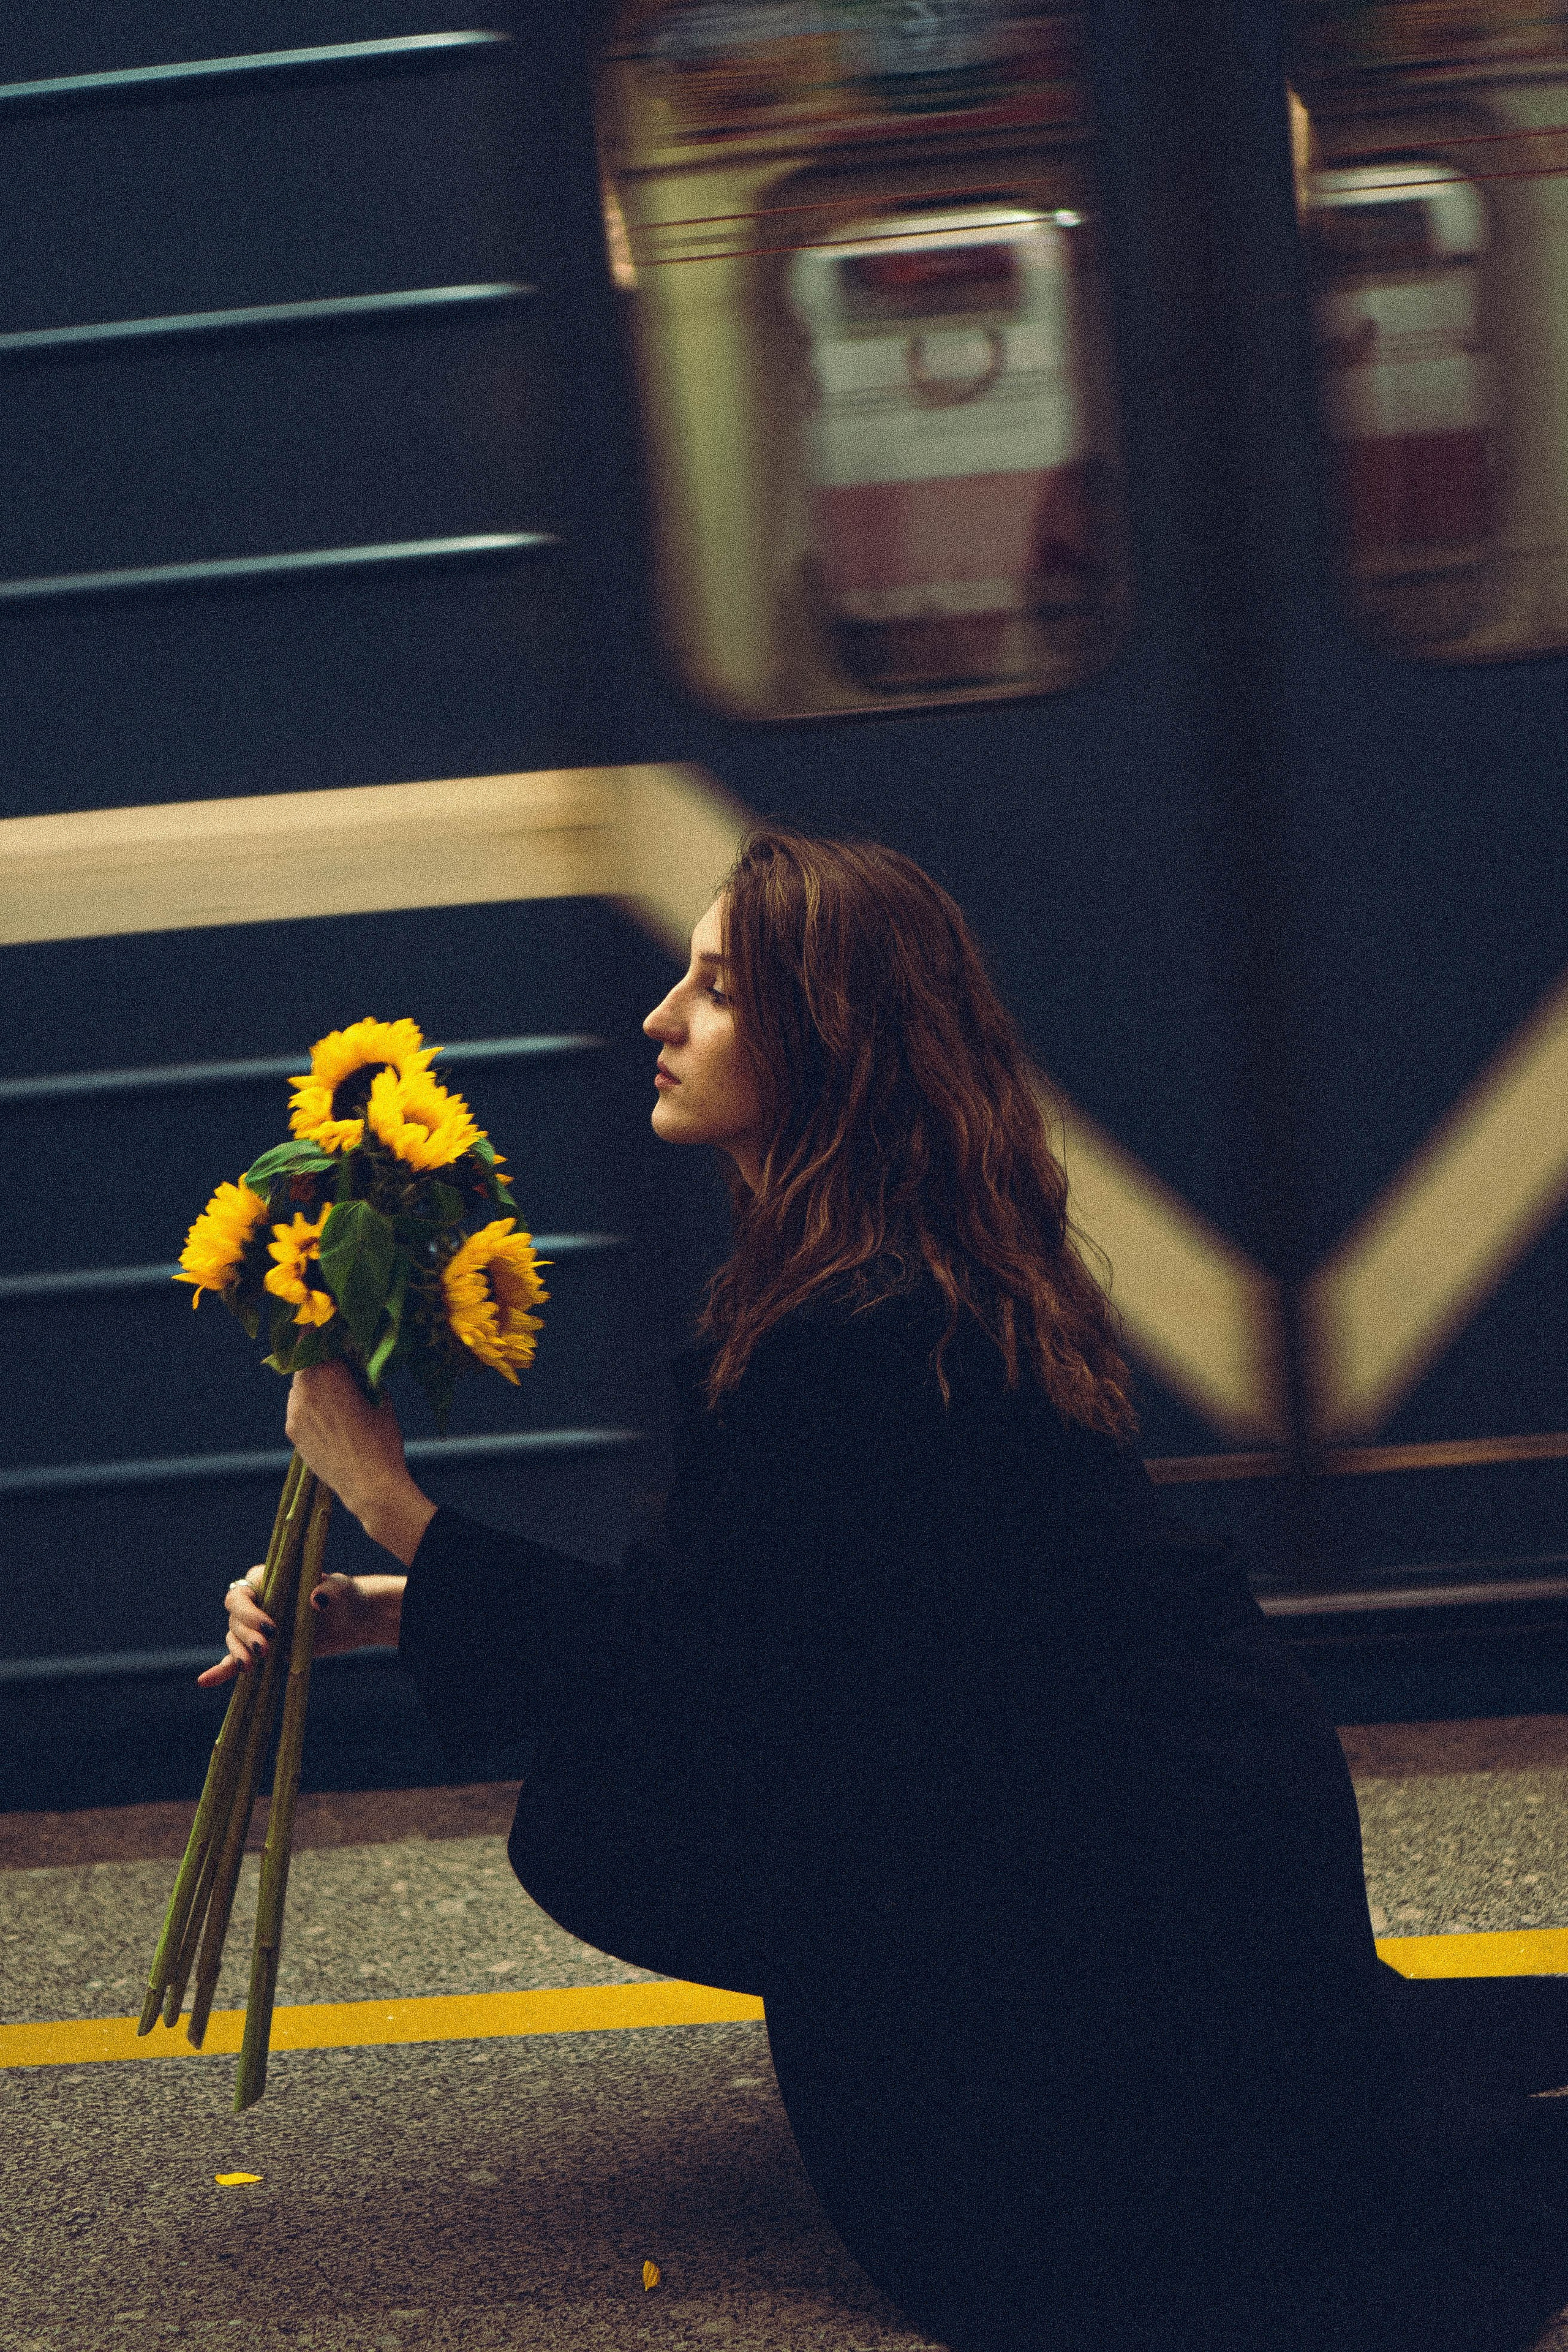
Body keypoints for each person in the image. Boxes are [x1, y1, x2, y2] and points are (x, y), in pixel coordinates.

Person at [203, 825, 1568, 2352]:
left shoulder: (853, 1323)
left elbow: (711, 1672)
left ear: (825, 1043)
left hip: (1129, 1890)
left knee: (611, 1794)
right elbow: (780, 1617)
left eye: (712, 989)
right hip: (1168, 1831)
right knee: (609, 1771)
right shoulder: (885, 1272)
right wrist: (400, 1601)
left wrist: (384, 1496)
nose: (659, 1018)